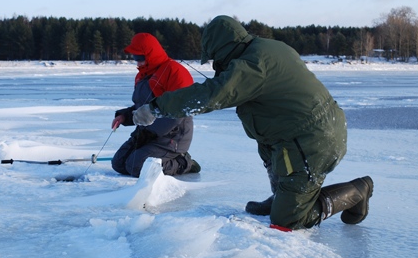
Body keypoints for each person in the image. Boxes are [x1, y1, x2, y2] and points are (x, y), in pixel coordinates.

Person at [133, 15, 373, 231]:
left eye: (216, 57)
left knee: (288, 221)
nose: (216, 64)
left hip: (312, 141)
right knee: (271, 152)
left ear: (224, 47)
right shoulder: (266, 48)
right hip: (300, 134)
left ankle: (357, 191)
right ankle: (284, 196)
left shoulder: (252, 65)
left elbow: (212, 94)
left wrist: (156, 107)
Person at [111, 33, 201, 178]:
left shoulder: (174, 71)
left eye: (140, 58)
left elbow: (178, 111)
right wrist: (124, 117)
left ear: (150, 55)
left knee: (136, 166)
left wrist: (150, 133)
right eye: (134, 58)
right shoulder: (142, 76)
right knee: (119, 163)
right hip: (146, 134)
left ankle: (183, 162)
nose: (137, 62)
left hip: (173, 135)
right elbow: (141, 107)